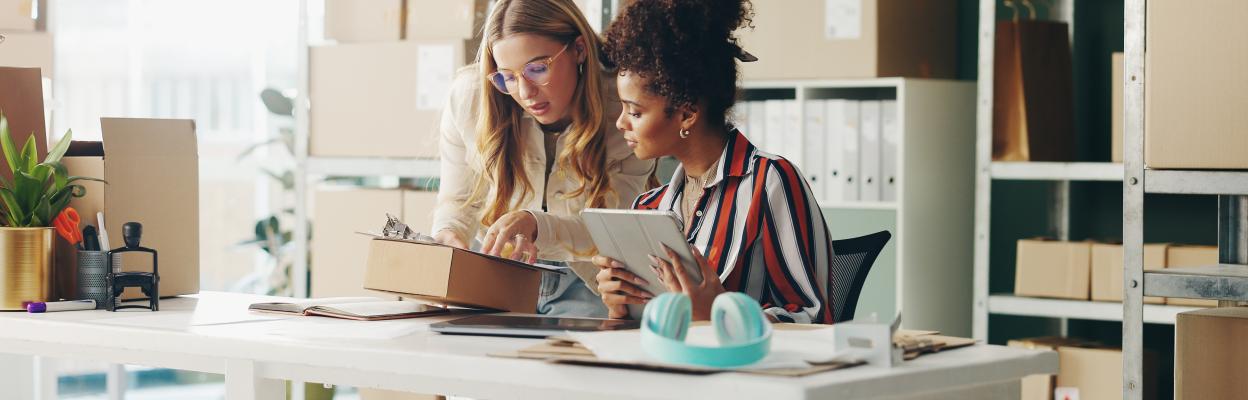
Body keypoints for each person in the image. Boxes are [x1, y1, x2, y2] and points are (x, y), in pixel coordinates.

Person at [593, 0, 836, 324]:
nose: (621, 123)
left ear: (687, 114)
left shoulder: (769, 181)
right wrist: (619, 307)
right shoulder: (647, 208)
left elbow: (814, 318)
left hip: (742, 359)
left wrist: (720, 316)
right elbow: (642, 332)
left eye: (635, 112)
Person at [432, 0, 655, 317]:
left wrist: (537, 226)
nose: (525, 92)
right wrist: (448, 234)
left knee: (581, 348)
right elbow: (458, 199)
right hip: (498, 267)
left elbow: (611, 229)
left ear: (579, 49)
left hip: (588, 279)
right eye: (507, 77)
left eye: (537, 69)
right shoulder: (471, 97)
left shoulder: (625, 109)